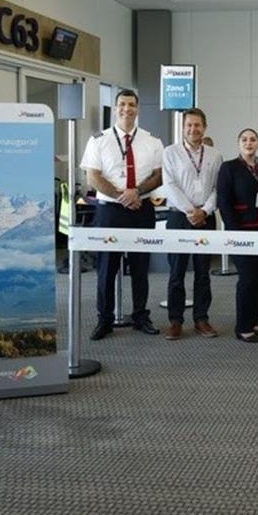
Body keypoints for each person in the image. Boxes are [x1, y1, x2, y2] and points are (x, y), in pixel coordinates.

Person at [80, 89, 165, 340]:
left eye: (131, 104)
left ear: (137, 109)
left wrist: (136, 192)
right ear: (115, 108)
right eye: (122, 104)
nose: (126, 109)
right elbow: (93, 176)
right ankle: (104, 319)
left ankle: (141, 316)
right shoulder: (98, 140)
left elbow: (159, 175)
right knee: (106, 268)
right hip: (109, 211)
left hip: (141, 209)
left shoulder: (152, 141)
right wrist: (122, 196)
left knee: (140, 267)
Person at [161, 108, 224, 340]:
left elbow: (218, 188)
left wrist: (204, 210)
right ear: (183, 127)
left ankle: (201, 319)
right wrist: (190, 211)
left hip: (206, 217)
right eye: (189, 125)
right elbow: (170, 185)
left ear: (204, 128)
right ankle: (175, 320)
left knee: (203, 271)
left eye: (197, 125)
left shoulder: (215, 155)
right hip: (179, 216)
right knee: (176, 271)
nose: (193, 129)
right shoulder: (171, 152)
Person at [217, 128, 258, 343]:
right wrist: (233, 232)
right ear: (238, 144)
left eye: (253, 139)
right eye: (244, 139)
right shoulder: (229, 167)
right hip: (241, 231)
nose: (248, 143)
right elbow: (224, 202)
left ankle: (253, 321)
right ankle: (242, 326)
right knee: (247, 278)